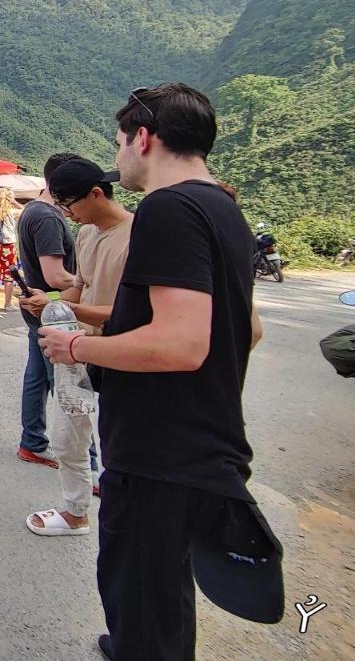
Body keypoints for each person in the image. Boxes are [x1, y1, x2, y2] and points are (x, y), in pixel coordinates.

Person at [39, 84, 265, 661]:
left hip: (157, 449)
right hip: (200, 440)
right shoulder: (224, 208)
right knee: (162, 599)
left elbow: (181, 343)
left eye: (119, 143)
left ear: (145, 137)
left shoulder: (167, 209)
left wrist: (75, 347)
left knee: (140, 596)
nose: (117, 158)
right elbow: (249, 330)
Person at [19, 158, 131, 536]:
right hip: (77, 352)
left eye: (71, 206)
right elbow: (77, 288)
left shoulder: (139, 237)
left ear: (97, 193)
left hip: (120, 355)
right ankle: (76, 512)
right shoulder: (86, 235)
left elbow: (131, 312)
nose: (68, 215)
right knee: (69, 438)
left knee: (119, 446)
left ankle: (126, 524)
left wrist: (65, 306)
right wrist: (47, 299)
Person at [14, 155, 80, 467]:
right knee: (65, 382)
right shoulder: (49, 219)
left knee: (37, 375)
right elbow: (55, 276)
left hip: (37, 304)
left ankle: (33, 442)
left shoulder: (32, 210)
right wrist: (87, 282)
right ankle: (83, 460)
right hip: (51, 305)